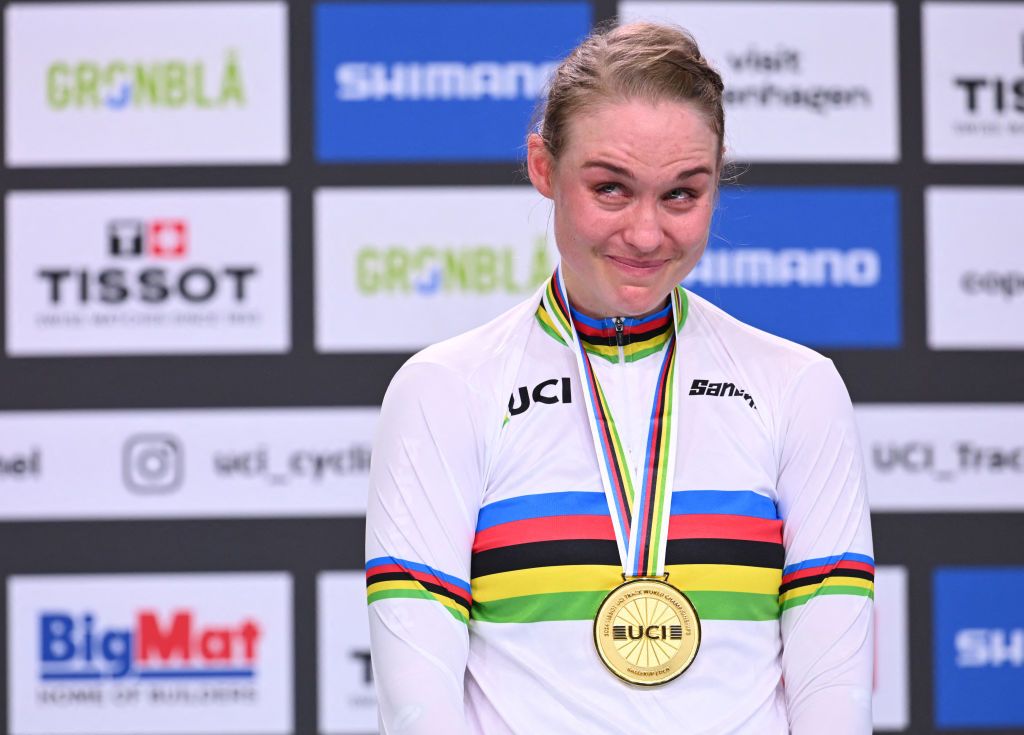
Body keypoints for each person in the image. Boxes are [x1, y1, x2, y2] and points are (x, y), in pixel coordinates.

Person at [365, 20, 874, 735]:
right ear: (543, 167)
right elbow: (418, 707)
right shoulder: (445, 389)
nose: (644, 234)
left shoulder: (798, 386)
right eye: (610, 189)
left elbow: (833, 691)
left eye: (681, 195)